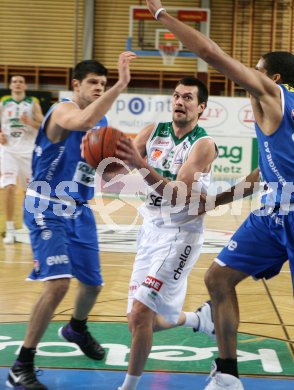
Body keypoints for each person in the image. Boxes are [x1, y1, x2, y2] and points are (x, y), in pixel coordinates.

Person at [145, 2, 294, 389]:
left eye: (258, 67)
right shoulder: (289, 109)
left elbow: (209, 53)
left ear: (274, 77)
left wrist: (162, 15)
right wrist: (216, 201)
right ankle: (228, 375)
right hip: (273, 211)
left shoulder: (272, 95)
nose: (250, 72)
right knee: (218, 279)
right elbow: (263, 174)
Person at [6, 52, 137, 390]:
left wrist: (120, 162)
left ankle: (76, 327)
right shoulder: (62, 110)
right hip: (46, 205)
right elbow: (80, 123)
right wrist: (122, 85)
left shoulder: (104, 124)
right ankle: (22, 365)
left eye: (104, 84)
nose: (99, 88)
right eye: (93, 83)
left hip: (79, 208)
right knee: (59, 283)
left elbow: (99, 167)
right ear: (76, 85)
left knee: (93, 284)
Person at [114, 76, 218, 390]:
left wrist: (139, 164)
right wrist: (98, 152)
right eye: (176, 96)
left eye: (188, 98)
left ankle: (127, 387)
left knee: (143, 309)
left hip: (181, 234)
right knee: (137, 320)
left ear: (201, 107)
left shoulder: (203, 144)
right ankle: (199, 320)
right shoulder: (151, 132)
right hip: (150, 231)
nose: (179, 102)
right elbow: (117, 169)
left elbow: (177, 193)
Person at [0, 75, 44, 244]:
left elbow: (43, 124)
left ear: (25, 85)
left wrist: (30, 121)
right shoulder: (4, 102)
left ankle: (28, 224)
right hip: (8, 150)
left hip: (28, 152)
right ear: (10, 85)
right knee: (9, 187)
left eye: (20, 82)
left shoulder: (32, 102)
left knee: (30, 192)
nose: (17, 84)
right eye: (14, 82)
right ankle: (10, 229)